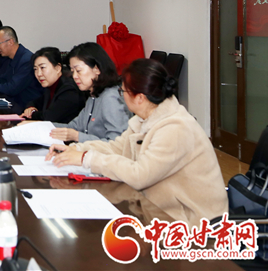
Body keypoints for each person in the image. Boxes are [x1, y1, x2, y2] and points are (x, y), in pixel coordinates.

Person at [47, 59, 228, 226]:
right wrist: (76, 150)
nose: (121, 96)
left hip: (192, 225)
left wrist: (86, 158)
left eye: (123, 91)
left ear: (140, 97)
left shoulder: (176, 128)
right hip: (158, 212)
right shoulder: (144, 119)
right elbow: (117, 148)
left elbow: (140, 175)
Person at [50, 42, 131, 142]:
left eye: (78, 70)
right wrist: (38, 125)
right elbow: (73, 127)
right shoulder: (93, 96)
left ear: (97, 69)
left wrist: (77, 137)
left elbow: (117, 143)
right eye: (72, 71)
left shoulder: (110, 97)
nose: (74, 76)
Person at [19, 47, 87, 123]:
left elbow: (48, 117)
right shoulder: (51, 87)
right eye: (35, 69)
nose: (39, 74)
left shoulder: (69, 90)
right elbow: (36, 102)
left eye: (42, 67)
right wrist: (30, 107)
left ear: (58, 68)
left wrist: (32, 114)